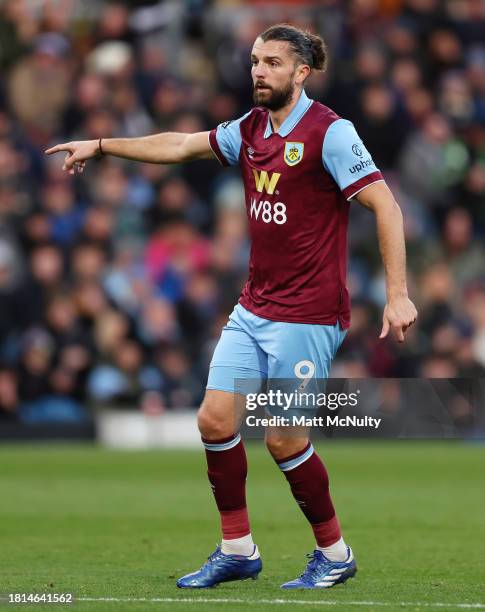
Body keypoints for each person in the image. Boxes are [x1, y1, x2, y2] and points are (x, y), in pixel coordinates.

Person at [46, 24, 417, 590]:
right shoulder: (248, 129)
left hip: (309, 311)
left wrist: (396, 294)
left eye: (271, 62)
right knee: (215, 420)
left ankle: (335, 554)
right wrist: (101, 146)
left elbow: (386, 207)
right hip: (254, 306)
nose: (259, 71)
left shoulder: (330, 134)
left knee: (283, 439)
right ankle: (237, 548)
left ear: (301, 72)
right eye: (254, 61)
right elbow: (180, 144)